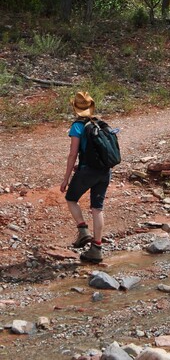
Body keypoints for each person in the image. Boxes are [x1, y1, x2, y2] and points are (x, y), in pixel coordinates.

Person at [61, 91, 110, 264]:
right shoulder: (100, 123)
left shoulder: (77, 126)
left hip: (87, 171)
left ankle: (83, 231)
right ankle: (96, 249)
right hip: (104, 171)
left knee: (71, 199)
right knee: (97, 209)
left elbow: (73, 154)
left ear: (75, 108)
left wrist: (66, 178)